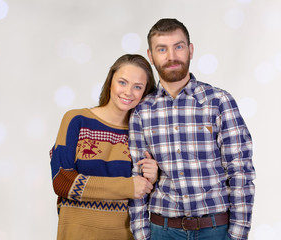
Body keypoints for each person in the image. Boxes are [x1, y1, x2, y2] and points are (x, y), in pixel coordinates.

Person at [128, 18, 256, 240]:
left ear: (191, 50)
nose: (172, 56)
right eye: (162, 49)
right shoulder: (141, 112)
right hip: (162, 230)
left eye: (178, 46)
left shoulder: (219, 102)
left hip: (215, 230)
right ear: (151, 56)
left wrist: (237, 235)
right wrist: (142, 235)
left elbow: (241, 172)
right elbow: (136, 178)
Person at [50, 54, 159, 240]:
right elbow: (62, 180)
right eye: (122, 82)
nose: (128, 92)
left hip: (126, 234)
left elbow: (147, 193)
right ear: (110, 83)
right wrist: (126, 186)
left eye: (138, 87)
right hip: (76, 234)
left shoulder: (144, 134)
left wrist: (154, 177)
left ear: (145, 93)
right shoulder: (77, 120)